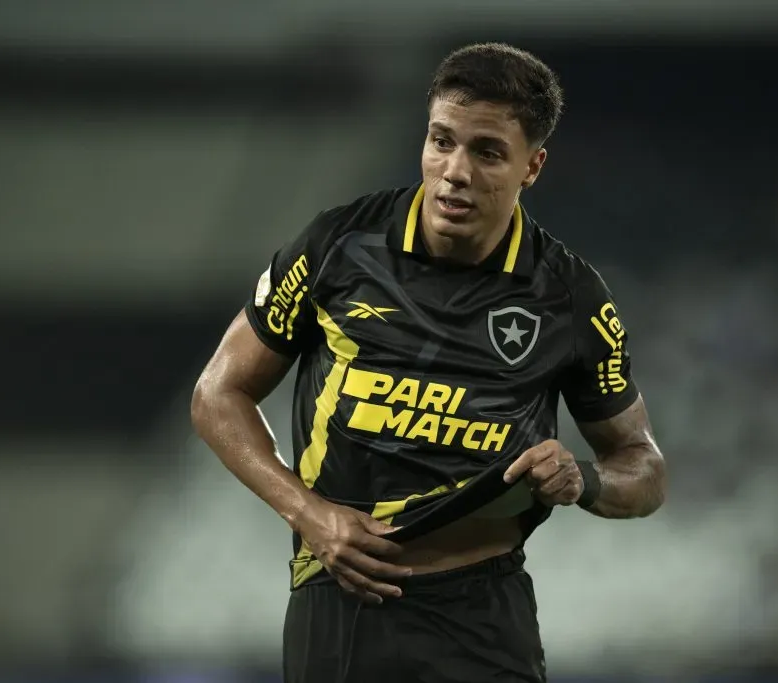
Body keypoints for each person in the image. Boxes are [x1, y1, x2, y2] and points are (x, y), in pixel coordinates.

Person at [191, 41, 666, 683]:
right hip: (342, 597)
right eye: (441, 141)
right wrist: (308, 514)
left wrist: (583, 478)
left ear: (533, 166)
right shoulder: (338, 245)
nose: (454, 172)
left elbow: (643, 468)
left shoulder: (572, 299)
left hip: (483, 612)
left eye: (487, 152)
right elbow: (217, 393)